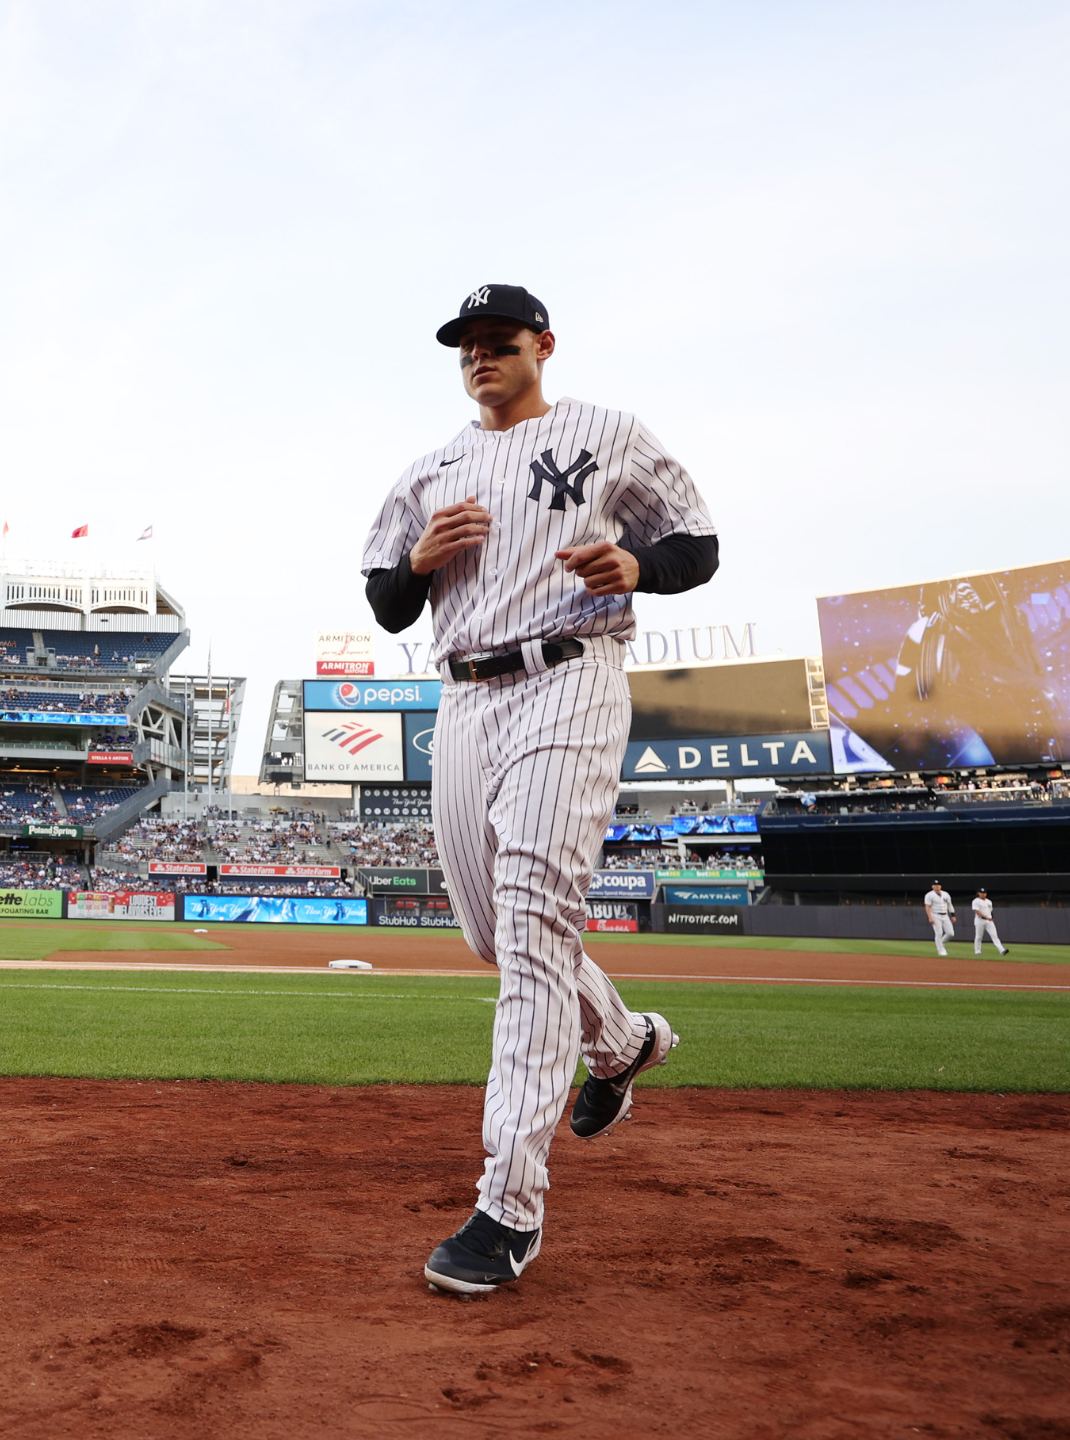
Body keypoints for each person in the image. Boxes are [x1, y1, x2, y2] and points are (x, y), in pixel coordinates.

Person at [360, 283, 718, 1298]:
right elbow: (385, 596)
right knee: (489, 933)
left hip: (570, 676)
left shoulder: (606, 432)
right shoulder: (429, 469)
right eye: (465, 345)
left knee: (527, 933)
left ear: (542, 347)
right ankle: (624, 1041)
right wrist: (419, 563)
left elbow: (697, 544)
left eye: (498, 341)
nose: (479, 356)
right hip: (466, 698)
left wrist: (636, 565)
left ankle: (506, 1208)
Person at [923, 882, 955, 956]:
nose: (937, 886)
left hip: (945, 915)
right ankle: (941, 950)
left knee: (951, 933)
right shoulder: (929, 895)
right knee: (939, 933)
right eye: (935, 885)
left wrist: (953, 915)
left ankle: (942, 943)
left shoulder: (946, 894)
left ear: (940, 886)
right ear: (932, 886)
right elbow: (927, 907)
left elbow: (950, 905)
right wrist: (930, 917)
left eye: (938, 885)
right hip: (935, 915)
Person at [971, 888, 1005, 955]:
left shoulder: (989, 901)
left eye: (984, 893)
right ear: (978, 893)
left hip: (989, 920)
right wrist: (986, 917)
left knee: (994, 935)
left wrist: (990, 918)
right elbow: (976, 911)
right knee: (979, 936)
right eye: (981, 893)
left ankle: (1002, 950)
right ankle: (977, 951)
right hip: (980, 920)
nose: (983, 894)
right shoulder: (976, 901)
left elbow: (990, 911)